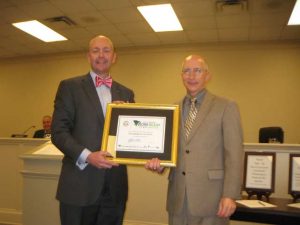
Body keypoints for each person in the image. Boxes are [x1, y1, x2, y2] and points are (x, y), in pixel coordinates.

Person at [146, 55, 243, 225]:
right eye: (187, 71)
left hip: (211, 199)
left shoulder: (226, 106)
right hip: (177, 199)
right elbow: (170, 152)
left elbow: (234, 154)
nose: (191, 76)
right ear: (181, 76)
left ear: (207, 75)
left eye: (197, 71)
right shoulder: (172, 110)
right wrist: (159, 165)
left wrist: (230, 195)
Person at [51, 35, 135, 225]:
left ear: (114, 57)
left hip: (114, 188)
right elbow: (58, 132)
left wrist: (125, 119)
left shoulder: (126, 93)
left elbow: (130, 138)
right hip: (79, 185)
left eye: (106, 50)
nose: (101, 55)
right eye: (95, 50)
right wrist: (88, 156)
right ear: (88, 56)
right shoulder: (69, 87)